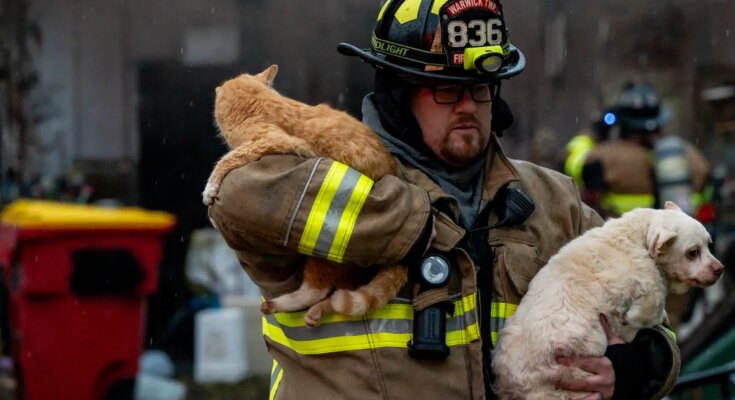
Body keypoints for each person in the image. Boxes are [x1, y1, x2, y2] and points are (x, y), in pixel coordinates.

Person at [207, 1, 680, 399]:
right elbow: (236, 195)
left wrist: (635, 367)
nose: (467, 106)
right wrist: (410, 225)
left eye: (479, 90)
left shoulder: (553, 203)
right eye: (446, 90)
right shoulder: (331, 179)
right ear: (398, 95)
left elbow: (654, 315)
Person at [581, 82, 711, 219]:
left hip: (624, 231)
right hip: (677, 231)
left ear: (623, 122)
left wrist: (594, 132)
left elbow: (576, 171)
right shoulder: (691, 155)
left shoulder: (603, 157)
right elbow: (708, 195)